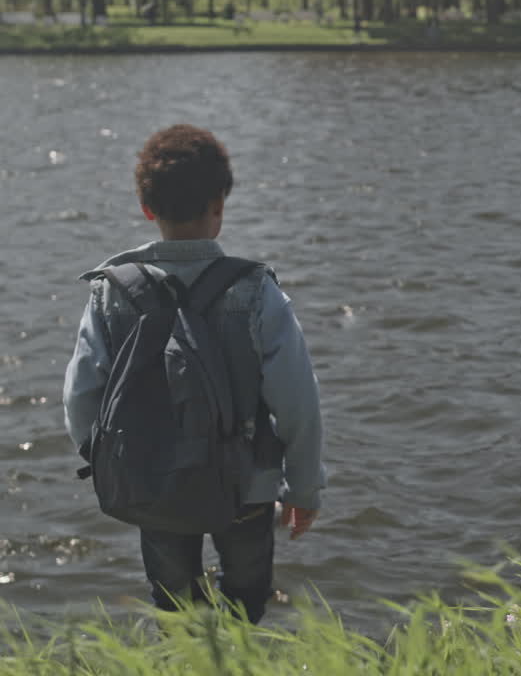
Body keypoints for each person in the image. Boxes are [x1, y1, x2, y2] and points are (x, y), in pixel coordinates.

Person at [63, 124, 326, 623]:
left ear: (147, 209)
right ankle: (239, 649)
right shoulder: (255, 290)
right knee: (247, 595)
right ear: (220, 205)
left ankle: (187, 656)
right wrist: (305, 489)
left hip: (153, 481)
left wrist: (111, 462)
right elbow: (298, 403)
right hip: (247, 486)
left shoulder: (111, 291)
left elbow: (81, 397)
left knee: (174, 603)